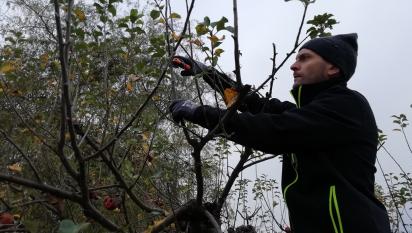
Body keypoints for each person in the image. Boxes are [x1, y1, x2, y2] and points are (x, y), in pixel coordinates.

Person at [169, 33, 391, 233]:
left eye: (304, 58)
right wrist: (209, 73)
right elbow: (250, 103)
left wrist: (198, 112)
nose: (294, 66)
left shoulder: (347, 106)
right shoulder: (307, 113)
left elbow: (272, 131)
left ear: (333, 68)